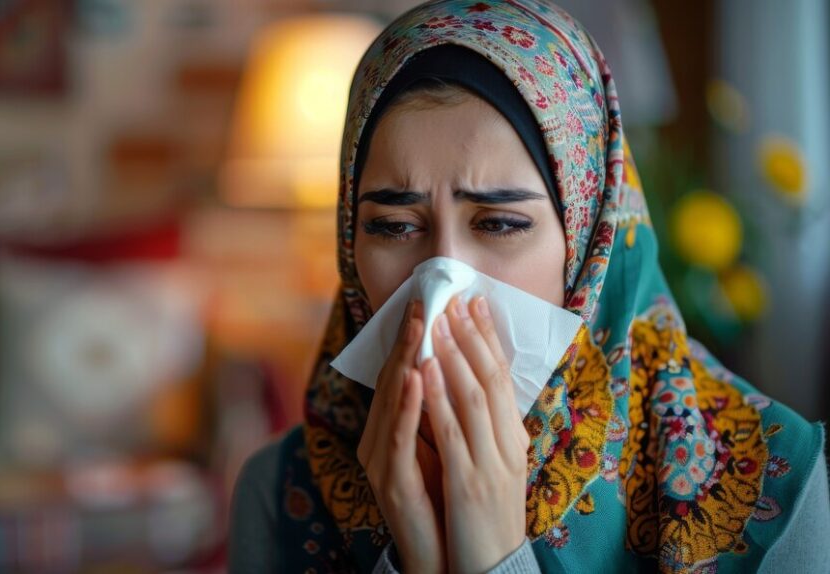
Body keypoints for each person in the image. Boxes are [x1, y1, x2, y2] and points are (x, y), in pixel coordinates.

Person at [228, 0, 830, 572]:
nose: (442, 282)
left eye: (500, 224)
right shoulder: (280, 494)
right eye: (393, 226)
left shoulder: (772, 483)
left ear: (587, 246)